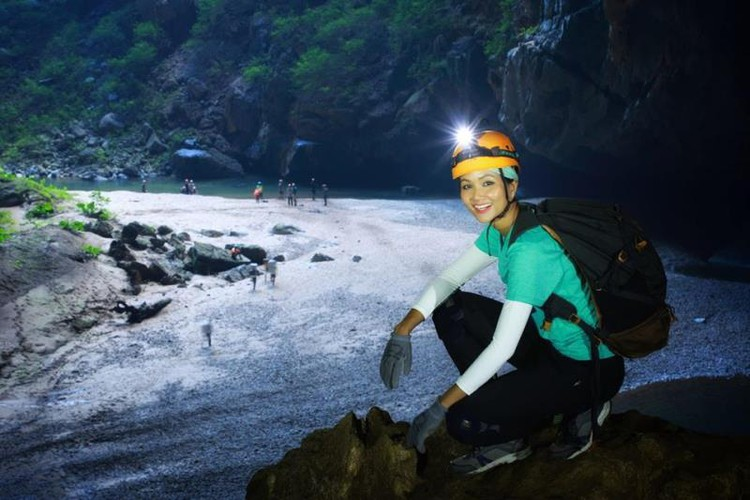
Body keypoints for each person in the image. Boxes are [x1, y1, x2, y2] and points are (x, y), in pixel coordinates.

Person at [379, 129, 625, 475]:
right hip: (550, 343)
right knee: (453, 307)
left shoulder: (530, 249)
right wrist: (402, 330)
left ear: (512, 185)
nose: (475, 196)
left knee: (462, 421)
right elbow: (449, 279)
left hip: (587, 367)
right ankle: (503, 407)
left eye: (487, 183)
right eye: (467, 185)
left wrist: (438, 408)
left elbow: (503, 348)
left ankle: (575, 410)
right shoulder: (504, 226)